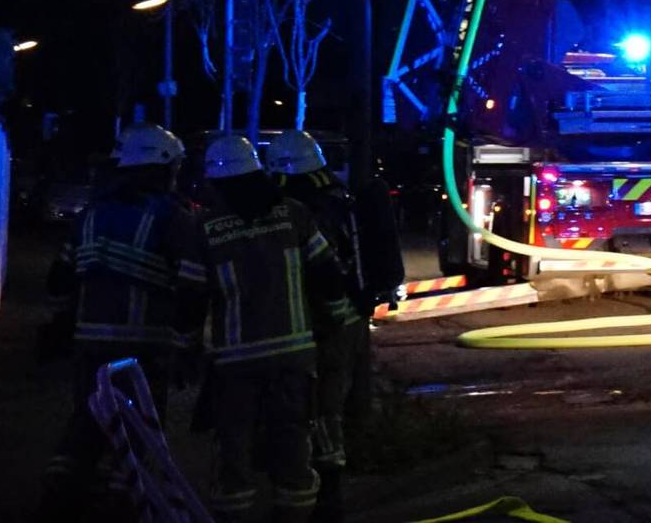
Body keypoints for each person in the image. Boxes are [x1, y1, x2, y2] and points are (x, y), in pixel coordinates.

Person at [196, 134, 361, 523]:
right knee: (294, 447)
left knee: (233, 451)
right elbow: (329, 276)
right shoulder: (295, 214)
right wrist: (334, 322)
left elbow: (190, 295)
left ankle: (232, 515)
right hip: (294, 356)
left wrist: (186, 348)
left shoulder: (205, 228)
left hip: (235, 363)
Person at [42, 125, 209, 512]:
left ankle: (58, 494)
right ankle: (122, 504)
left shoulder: (90, 214)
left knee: (87, 419)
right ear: (163, 169)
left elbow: (58, 280)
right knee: (139, 430)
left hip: (88, 343)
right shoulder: (174, 218)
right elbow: (192, 289)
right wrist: (188, 348)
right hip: (143, 348)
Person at [268, 130, 398, 523]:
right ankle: (329, 488)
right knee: (332, 409)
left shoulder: (307, 212)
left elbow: (315, 273)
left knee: (321, 410)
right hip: (348, 319)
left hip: (325, 325)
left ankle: (328, 497)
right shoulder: (340, 200)